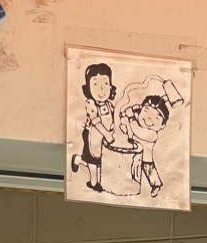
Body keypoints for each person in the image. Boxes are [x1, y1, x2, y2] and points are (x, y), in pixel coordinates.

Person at [70, 62, 116, 192]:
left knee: (101, 159)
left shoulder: (109, 104)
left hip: (105, 136)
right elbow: (96, 121)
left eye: (105, 83)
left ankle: (78, 160)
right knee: (93, 160)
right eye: (95, 84)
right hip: (92, 135)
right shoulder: (90, 103)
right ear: (88, 88)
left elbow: (113, 118)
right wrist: (107, 134)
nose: (101, 89)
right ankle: (94, 183)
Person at [120, 94, 169, 198]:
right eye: (146, 111)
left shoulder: (153, 135)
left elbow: (135, 132)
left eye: (157, 118)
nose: (149, 119)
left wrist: (129, 122)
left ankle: (156, 186)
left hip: (146, 159)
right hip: (133, 154)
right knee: (131, 172)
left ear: (162, 126)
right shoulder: (134, 122)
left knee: (150, 172)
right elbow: (123, 118)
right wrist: (128, 113)